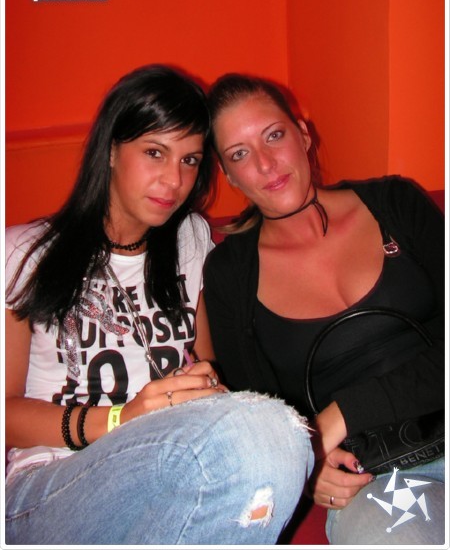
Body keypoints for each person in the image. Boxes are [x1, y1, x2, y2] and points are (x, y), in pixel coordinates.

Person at [4, 65, 314, 546]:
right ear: (111, 150)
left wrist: (208, 388)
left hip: (168, 474)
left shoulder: (191, 241)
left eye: (190, 160)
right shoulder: (25, 252)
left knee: (271, 438)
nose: (174, 180)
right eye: (155, 152)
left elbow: (207, 366)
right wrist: (120, 419)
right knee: (269, 430)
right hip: (50, 488)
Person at [203, 73, 445, 545]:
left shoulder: (396, 204)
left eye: (274, 135)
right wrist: (304, 468)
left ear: (303, 134)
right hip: (377, 481)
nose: (266, 163)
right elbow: (261, 416)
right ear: (228, 175)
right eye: (240, 154)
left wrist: (338, 417)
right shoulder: (231, 274)